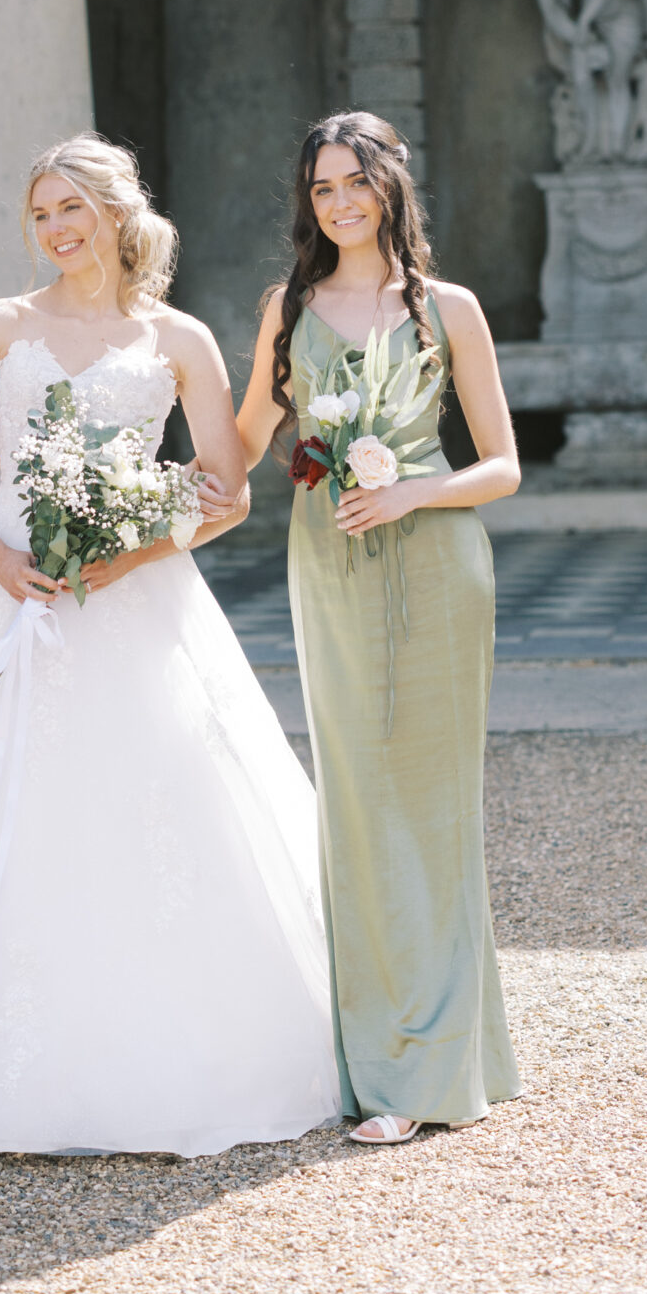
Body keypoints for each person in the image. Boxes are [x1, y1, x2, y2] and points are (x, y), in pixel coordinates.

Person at [0, 134, 340, 1160]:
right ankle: (7, 1069)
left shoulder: (178, 338)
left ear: (118, 213)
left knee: (154, 802)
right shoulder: (0, 325)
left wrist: (122, 558)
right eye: (40, 213)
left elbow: (225, 493)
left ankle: (174, 1057)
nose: (54, 229)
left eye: (70, 208)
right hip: (17, 595)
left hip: (137, 597)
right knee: (9, 809)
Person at [236, 111, 523, 1148]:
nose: (340, 200)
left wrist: (413, 495)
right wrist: (121, 500)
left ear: (393, 186)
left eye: (356, 181)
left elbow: (503, 466)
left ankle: (439, 1062)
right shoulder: (289, 308)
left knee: (436, 809)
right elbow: (235, 449)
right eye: (322, 187)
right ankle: (379, 1060)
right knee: (357, 806)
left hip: (438, 563)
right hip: (330, 567)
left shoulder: (448, 309)